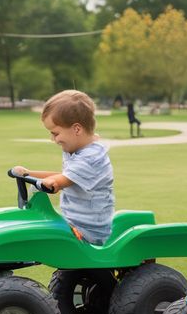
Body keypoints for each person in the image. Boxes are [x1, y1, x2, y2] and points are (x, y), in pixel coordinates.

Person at [11, 90, 114, 246]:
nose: (53, 139)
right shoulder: (77, 150)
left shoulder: (91, 157)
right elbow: (65, 176)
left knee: (38, 236)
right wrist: (28, 173)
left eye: (55, 133)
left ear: (77, 129)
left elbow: (62, 180)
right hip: (73, 222)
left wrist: (54, 183)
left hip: (89, 231)